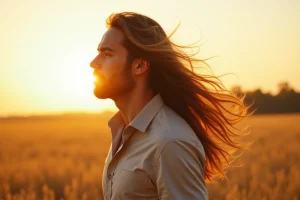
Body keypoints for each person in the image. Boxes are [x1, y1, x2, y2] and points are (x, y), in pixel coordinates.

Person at [90, 12, 252, 200]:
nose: (93, 63)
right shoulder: (124, 131)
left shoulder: (170, 142)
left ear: (140, 65)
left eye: (107, 54)